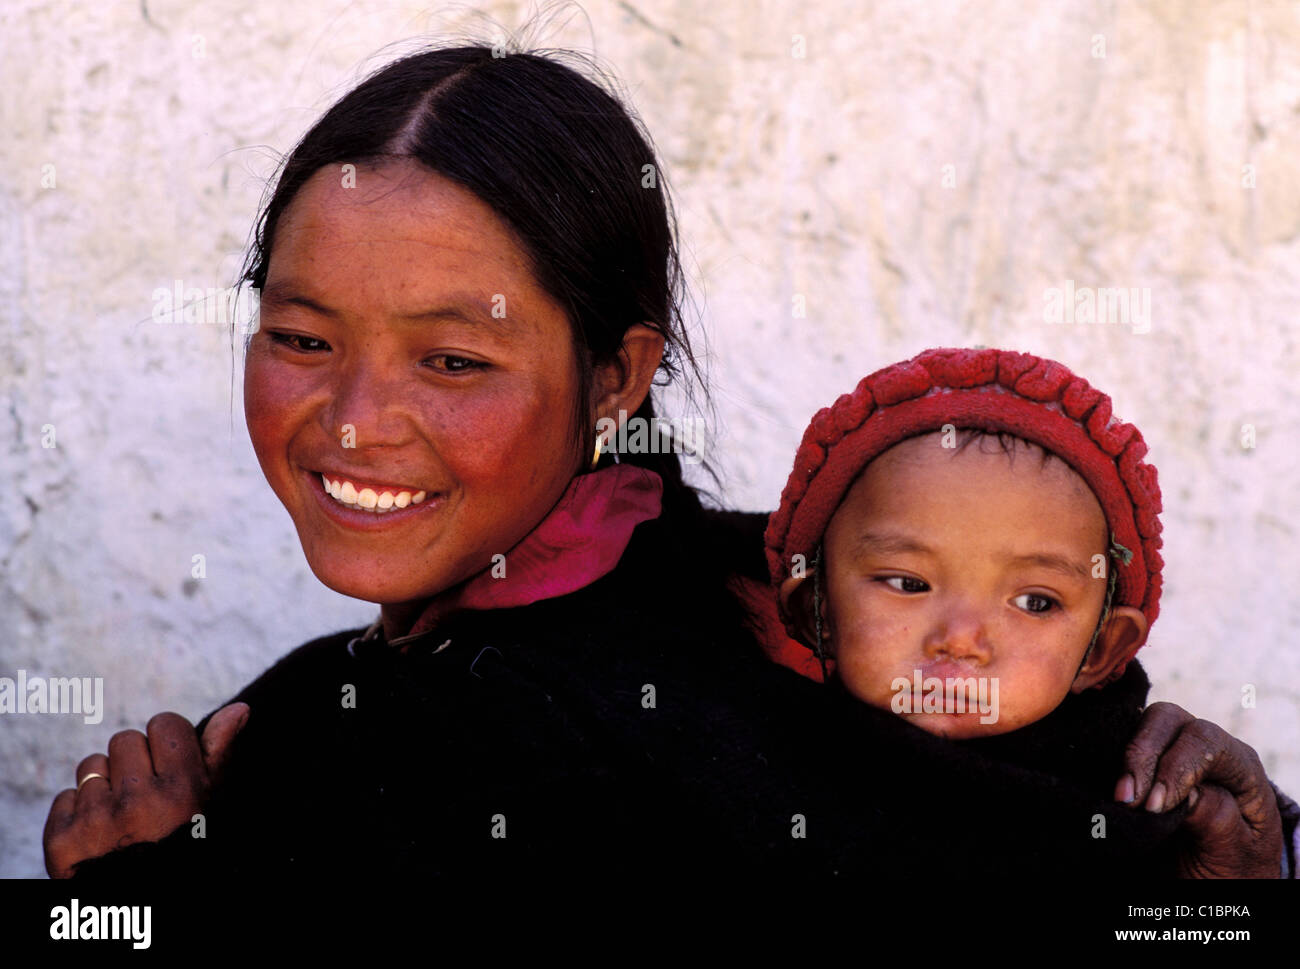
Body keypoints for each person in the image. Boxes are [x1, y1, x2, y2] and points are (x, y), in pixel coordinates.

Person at [43, 46, 1296, 884]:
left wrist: (121, 904)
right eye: (304, 339)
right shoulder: (801, 590)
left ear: (615, 375)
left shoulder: (489, 736)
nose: (356, 422)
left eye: (455, 362)